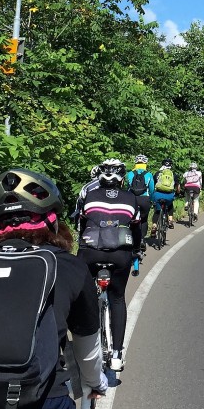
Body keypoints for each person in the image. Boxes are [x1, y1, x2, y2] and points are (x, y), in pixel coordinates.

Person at [0, 168, 107, 409]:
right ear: (51, 221)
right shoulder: (67, 265)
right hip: (39, 397)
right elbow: (87, 345)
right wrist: (95, 382)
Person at [74, 158, 140, 373]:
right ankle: (117, 355)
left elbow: (81, 226)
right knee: (117, 298)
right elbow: (137, 231)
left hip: (90, 252)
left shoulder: (89, 196)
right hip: (120, 254)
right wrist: (136, 250)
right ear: (122, 178)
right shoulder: (131, 198)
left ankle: (79, 352)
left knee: (82, 300)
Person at [124, 154, 155, 249]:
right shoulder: (149, 174)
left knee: (129, 219)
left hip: (131, 199)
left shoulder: (129, 174)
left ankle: (129, 239)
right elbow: (152, 190)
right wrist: (152, 201)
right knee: (144, 220)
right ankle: (141, 239)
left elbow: (125, 188)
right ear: (145, 163)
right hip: (144, 199)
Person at [151, 158, 178, 231]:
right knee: (170, 205)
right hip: (169, 195)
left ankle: (154, 226)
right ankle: (170, 220)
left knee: (157, 211)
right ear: (171, 165)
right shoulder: (173, 174)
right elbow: (176, 186)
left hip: (158, 195)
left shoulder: (157, 173)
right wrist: (178, 193)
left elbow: (153, 185)